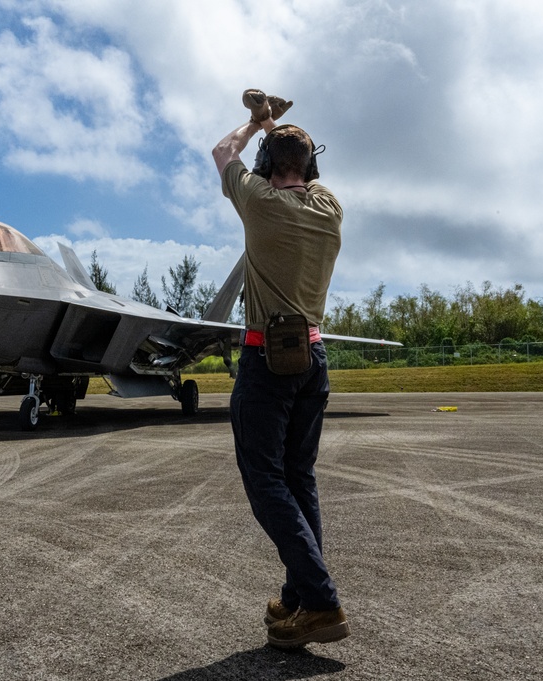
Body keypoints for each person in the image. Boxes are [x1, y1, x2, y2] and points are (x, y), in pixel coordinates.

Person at [211, 89, 349, 649]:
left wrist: (252, 124)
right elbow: (298, 164)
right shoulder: (330, 207)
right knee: (300, 478)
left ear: (266, 169)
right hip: (313, 358)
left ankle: (321, 600)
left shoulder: (260, 202)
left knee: (266, 480)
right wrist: (275, 128)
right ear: (312, 168)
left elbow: (222, 151)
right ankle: (296, 600)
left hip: (266, 358)